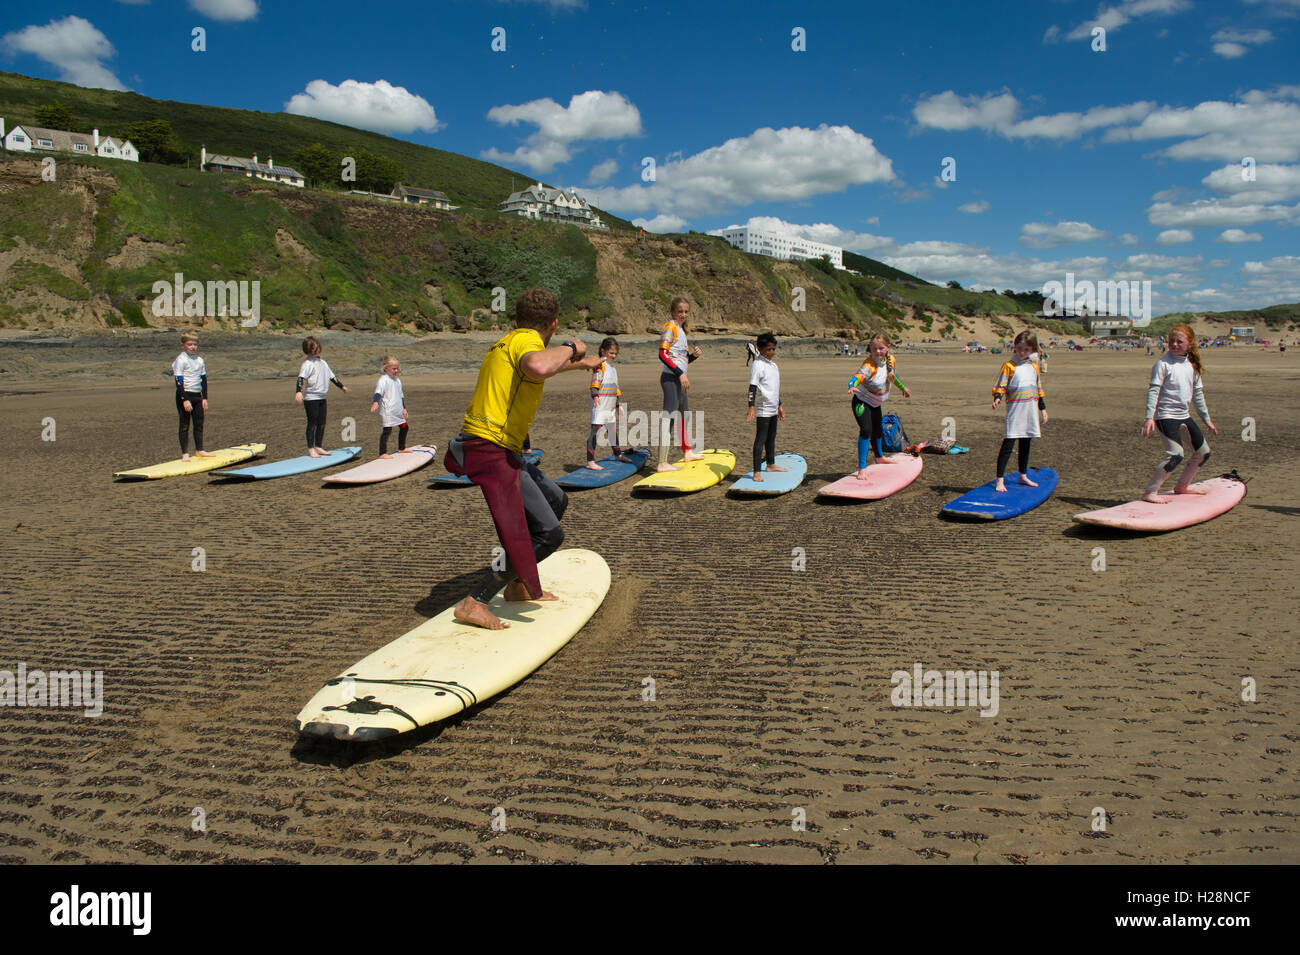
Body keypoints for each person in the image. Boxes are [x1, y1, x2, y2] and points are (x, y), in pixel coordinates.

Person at [444, 288, 599, 630]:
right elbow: (539, 364)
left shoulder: (509, 340)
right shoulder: (528, 341)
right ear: (553, 324)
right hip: (490, 449)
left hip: (497, 447)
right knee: (548, 535)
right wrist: (573, 347)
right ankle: (476, 601)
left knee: (555, 499)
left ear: (517, 318)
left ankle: (516, 584)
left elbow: (535, 368)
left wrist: (579, 365)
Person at [1141, 324, 1217, 502]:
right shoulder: (1162, 364)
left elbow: (1198, 395)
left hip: (1184, 415)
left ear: (1190, 344)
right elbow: (1154, 391)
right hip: (1165, 416)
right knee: (1176, 455)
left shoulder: (1192, 366)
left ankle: (1182, 486)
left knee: (1203, 453)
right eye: (1171, 341)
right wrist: (1149, 417)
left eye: (1179, 341)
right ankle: (1150, 492)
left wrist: (1206, 419)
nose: (1174, 344)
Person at [847, 332, 910, 479]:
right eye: (874, 349)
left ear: (888, 347)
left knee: (878, 431)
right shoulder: (869, 365)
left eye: (881, 348)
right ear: (870, 348)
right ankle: (862, 468)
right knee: (866, 430)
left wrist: (903, 388)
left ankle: (879, 457)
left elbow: (892, 377)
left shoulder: (891, 360)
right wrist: (852, 385)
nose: (878, 352)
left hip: (876, 404)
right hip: (862, 402)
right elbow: (858, 377)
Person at [992, 330, 1048, 492]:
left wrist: (1043, 409)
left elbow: (1038, 388)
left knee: (1026, 442)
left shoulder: (1033, 366)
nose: (1022, 352)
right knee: (1008, 443)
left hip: (1030, 410)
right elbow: (1001, 384)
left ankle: (1022, 475)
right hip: (1015, 411)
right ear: (1014, 348)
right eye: (1019, 349)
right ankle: (999, 479)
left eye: (1026, 350)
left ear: (1032, 350)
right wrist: (997, 397)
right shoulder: (1009, 366)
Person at [656, 297, 703, 472]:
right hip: (670, 379)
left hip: (679, 379)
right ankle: (662, 463)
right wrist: (680, 374)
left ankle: (687, 451)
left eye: (686, 311)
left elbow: (681, 360)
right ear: (673, 312)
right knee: (669, 418)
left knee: (685, 416)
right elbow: (662, 354)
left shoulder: (681, 330)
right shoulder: (670, 327)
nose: (683, 314)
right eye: (680, 311)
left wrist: (693, 357)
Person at [294, 336, 349, 457]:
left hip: (322, 397)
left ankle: (318, 446)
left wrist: (342, 386)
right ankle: (311, 448)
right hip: (311, 398)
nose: (317, 350)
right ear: (308, 350)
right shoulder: (307, 364)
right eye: (314, 349)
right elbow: (301, 378)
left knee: (322, 422)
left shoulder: (323, 363)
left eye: (317, 347)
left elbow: (332, 377)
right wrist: (298, 391)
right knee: (312, 423)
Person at [745, 333, 786, 483]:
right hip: (763, 408)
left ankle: (770, 464)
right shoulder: (758, 365)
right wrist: (751, 407)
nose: (771, 352)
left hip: (773, 407)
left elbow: (773, 388)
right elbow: (752, 387)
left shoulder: (773, 365)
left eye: (773, 349)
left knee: (771, 437)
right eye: (768, 349)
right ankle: (756, 472)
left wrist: (780, 405)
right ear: (759, 348)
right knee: (760, 439)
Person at [586, 337, 632, 469]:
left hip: (610, 405)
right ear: (603, 351)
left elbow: (615, 388)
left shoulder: (613, 368)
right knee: (596, 431)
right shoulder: (600, 366)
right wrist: (595, 396)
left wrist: (618, 405)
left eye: (615, 353)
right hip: (600, 404)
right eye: (611, 352)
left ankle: (617, 454)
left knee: (611, 430)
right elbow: (595, 383)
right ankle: (590, 462)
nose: (613, 355)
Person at [172, 332, 214, 462]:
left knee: (199, 424)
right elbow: (178, 381)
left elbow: (204, 380)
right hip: (185, 395)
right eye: (189, 344)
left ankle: (199, 450)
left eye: (195, 344)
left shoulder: (200, 360)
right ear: (183, 345)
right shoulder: (181, 360)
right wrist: (185, 400)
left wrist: (204, 398)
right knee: (184, 424)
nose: (193, 347)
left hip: (198, 396)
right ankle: (185, 452)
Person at [370, 355, 409, 459]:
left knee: (405, 427)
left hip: (398, 410)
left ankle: (402, 448)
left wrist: (404, 409)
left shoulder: (397, 381)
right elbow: (378, 392)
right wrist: (375, 402)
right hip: (388, 411)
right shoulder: (383, 380)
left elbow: (401, 396)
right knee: (387, 431)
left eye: (397, 368)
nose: (396, 370)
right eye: (394, 368)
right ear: (386, 368)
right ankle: (382, 453)